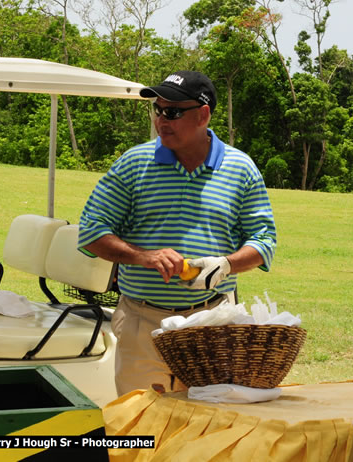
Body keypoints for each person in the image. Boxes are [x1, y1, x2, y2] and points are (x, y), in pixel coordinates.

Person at [77, 70, 276, 395]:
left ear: (203, 115)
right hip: (143, 324)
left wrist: (225, 264)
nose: (161, 121)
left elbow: (264, 240)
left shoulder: (241, 169)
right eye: (157, 110)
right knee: (140, 421)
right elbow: (91, 231)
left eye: (172, 112)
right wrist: (144, 257)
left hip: (213, 324)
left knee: (209, 421)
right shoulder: (134, 164)